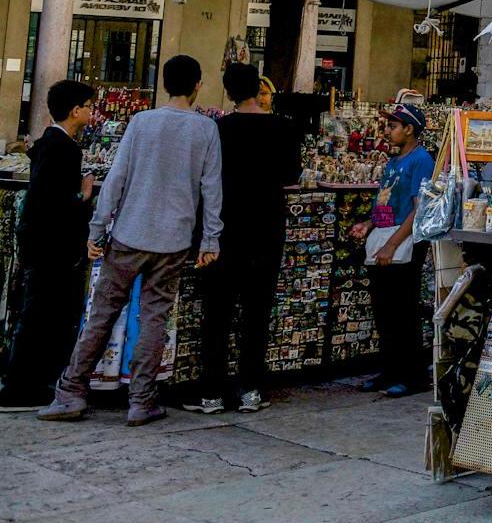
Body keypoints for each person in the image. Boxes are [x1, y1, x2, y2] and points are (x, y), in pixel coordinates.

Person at [41, 55, 222, 426]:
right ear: (197, 86)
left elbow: (117, 179)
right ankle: (141, 401)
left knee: (102, 314)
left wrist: (96, 230)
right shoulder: (205, 130)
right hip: (173, 240)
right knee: (153, 318)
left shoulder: (142, 122)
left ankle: (72, 392)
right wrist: (210, 240)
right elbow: (211, 188)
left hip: (128, 234)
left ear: (165, 84)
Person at [184, 62, 304, 415]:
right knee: (256, 312)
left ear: (228, 92)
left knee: (217, 313)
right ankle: (250, 388)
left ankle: (211, 392)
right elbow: (291, 175)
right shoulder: (283, 128)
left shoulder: (216, 129)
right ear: (257, 90)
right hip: (266, 228)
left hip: (223, 228)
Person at [0, 81, 97, 411]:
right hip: (51, 246)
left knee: (39, 313)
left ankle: (26, 382)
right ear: (75, 111)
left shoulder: (50, 143)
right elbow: (54, 201)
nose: (91, 112)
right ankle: (20, 387)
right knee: (40, 315)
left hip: (41, 243)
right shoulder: (64, 148)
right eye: (88, 106)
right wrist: (82, 196)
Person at [348, 97, 433, 397]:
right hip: (385, 236)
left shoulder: (421, 160)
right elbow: (385, 202)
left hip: (401, 242)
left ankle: (410, 376)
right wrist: (369, 225)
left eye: (393, 126)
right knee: (384, 310)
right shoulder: (395, 161)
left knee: (402, 311)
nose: (387, 130)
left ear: (409, 129)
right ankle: (390, 370)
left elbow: (418, 208)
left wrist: (393, 244)